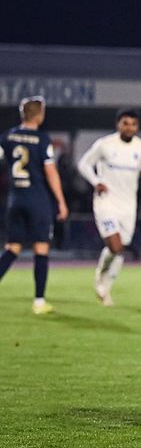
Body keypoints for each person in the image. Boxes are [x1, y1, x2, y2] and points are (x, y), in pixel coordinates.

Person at [77, 109, 141, 306]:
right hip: (106, 202)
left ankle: (105, 287)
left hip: (129, 206)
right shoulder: (105, 145)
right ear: (118, 125)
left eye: (133, 124)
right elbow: (83, 164)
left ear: (137, 127)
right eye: (125, 123)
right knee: (115, 245)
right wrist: (96, 181)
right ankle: (101, 276)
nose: (129, 127)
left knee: (119, 249)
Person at [0, 96, 69, 314]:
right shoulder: (42, 139)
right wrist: (61, 200)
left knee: (13, 248)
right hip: (37, 199)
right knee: (41, 247)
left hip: (15, 199)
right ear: (40, 114)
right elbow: (50, 171)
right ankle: (39, 301)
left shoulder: (7, 136)